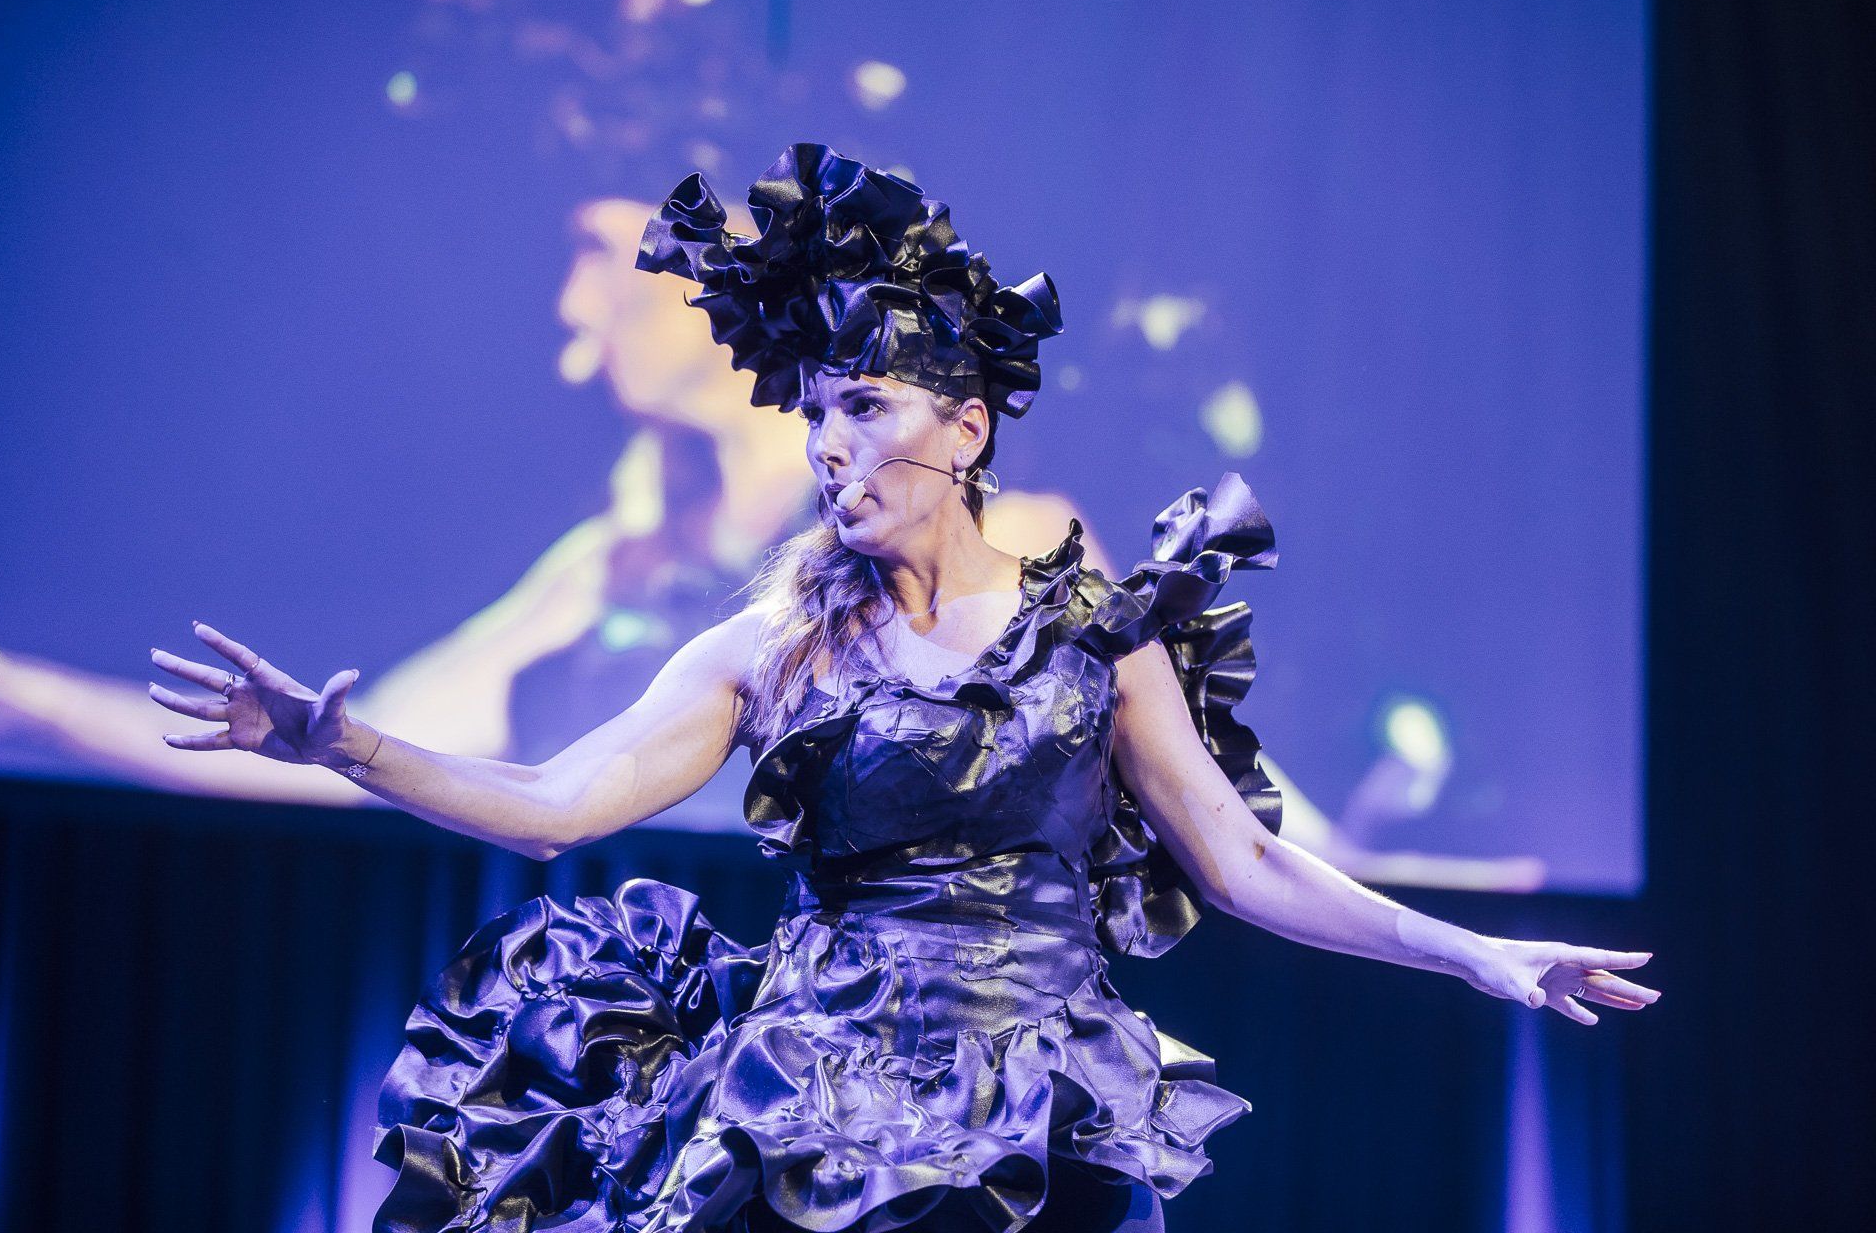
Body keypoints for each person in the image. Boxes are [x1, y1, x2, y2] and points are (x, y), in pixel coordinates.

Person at [148, 144, 1657, 1233]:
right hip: (817, 1112)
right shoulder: (773, 647)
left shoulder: (1098, 635)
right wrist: (337, 745)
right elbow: (554, 805)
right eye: (815, 414)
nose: (829, 445)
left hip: (1044, 1113)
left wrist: (1479, 956)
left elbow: (1244, 860)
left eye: (865, 407)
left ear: (968, 430)